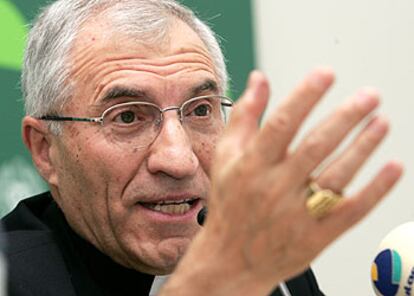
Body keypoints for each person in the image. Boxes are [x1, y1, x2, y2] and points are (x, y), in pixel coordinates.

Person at [1, 0, 403, 295]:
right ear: (45, 150)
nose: (178, 159)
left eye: (199, 110)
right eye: (127, 117)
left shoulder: (265, 266)